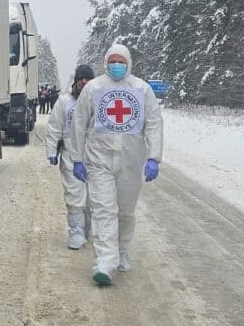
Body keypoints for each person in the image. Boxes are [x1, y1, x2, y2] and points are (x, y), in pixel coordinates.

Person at [69, 44, 163, 286]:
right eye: (113, 61)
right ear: (105, 62)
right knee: (103, 209)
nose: (117, 65)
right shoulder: (94, 87)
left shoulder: (141, 89)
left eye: (121, 61)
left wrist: (154, 156)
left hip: (132, 160)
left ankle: (121, 250)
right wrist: (77, 158)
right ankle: (104, 261)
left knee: (125, 210)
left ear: (129, 62)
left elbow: (153, 123)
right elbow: (79, 123)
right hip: (99, 158)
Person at [46, 65, 95, 250]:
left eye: (88, 79)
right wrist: (52, 150)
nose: (84, 82)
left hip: (96, 156)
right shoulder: (64, 102)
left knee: (93, 197)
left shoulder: (98, 102)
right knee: (74, 196)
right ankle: (76, 231)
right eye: (81, 79)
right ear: (75, 81)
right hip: (70, 156)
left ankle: (87, 230)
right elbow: (54, 127)